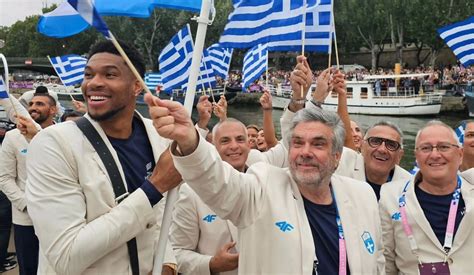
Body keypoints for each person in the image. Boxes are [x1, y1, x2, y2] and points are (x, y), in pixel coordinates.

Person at [145, 93, 384, 274]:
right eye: (298, 143)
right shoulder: (262, 184)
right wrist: (189, 140)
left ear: (337, 156)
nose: (305, 152)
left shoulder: (362, 194)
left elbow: (378, 260)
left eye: (318, 144)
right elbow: (217, 181)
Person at [25, 40, 179, 274]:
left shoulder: (160, 137)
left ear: (136, 85)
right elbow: (66, 256)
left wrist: (167, 263)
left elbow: (162, 219)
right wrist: (154, 187)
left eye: (110, 74)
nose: (94, 83)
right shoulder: (53, 144)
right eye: (89, 75)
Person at [379, 120, 473, 274]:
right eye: (426, 148)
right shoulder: (391, 197)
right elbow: (386, 261)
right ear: (416, 156)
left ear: (460, 154)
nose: (435, 155)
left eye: (444, 147)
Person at [170, 119, 247, 275]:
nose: (234, 146)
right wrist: (211, 264)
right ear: (213, 148)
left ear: (249, 145)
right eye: (225, 141)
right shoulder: (191, 192)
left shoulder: (264, 183)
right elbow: (177, 252)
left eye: (240, 139)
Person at [0, 92, 58, 275]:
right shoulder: (12, 137)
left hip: (59, 216)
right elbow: (4, 177)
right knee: (29, 268)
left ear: (53, 110)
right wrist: (25, 204)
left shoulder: (64, 135)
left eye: (40, 104)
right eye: (31, 103)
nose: (33, 107)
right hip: (25, 219)